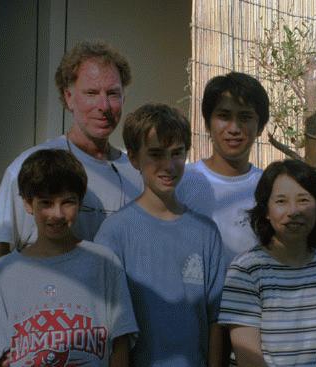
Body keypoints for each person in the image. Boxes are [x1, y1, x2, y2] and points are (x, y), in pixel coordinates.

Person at [0, 40, 143, 291]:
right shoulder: (30, 167)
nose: (104, 106)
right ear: (68, 97)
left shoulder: (136, 172)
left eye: (112, 94)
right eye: (91, 93)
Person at [0, 149, 138, 366]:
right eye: (46, 203)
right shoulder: (4, 271)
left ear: (80, 202)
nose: (57, 214)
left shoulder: (104, 263)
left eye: (67, 202)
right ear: (27, 203)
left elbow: (120, 344)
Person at [95, 103, 226, 366]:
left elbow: (216, 320)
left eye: (176, 153)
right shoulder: (114, 233)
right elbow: (106, 325)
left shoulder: (206, 233)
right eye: (155, 154)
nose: (168, 165)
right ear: (133, 157)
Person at [219, 159, 316, 367]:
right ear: (266, 210)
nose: (294, 211)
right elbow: (249, 359)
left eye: (303, 200)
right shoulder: (246, 269)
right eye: (281, 201)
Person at [176, 71, 269, 263]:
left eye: (245, 117)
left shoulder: (269, 187)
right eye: (224, 116)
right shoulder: (182, 182)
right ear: (207, 123)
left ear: (260, 127)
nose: (234, 128)